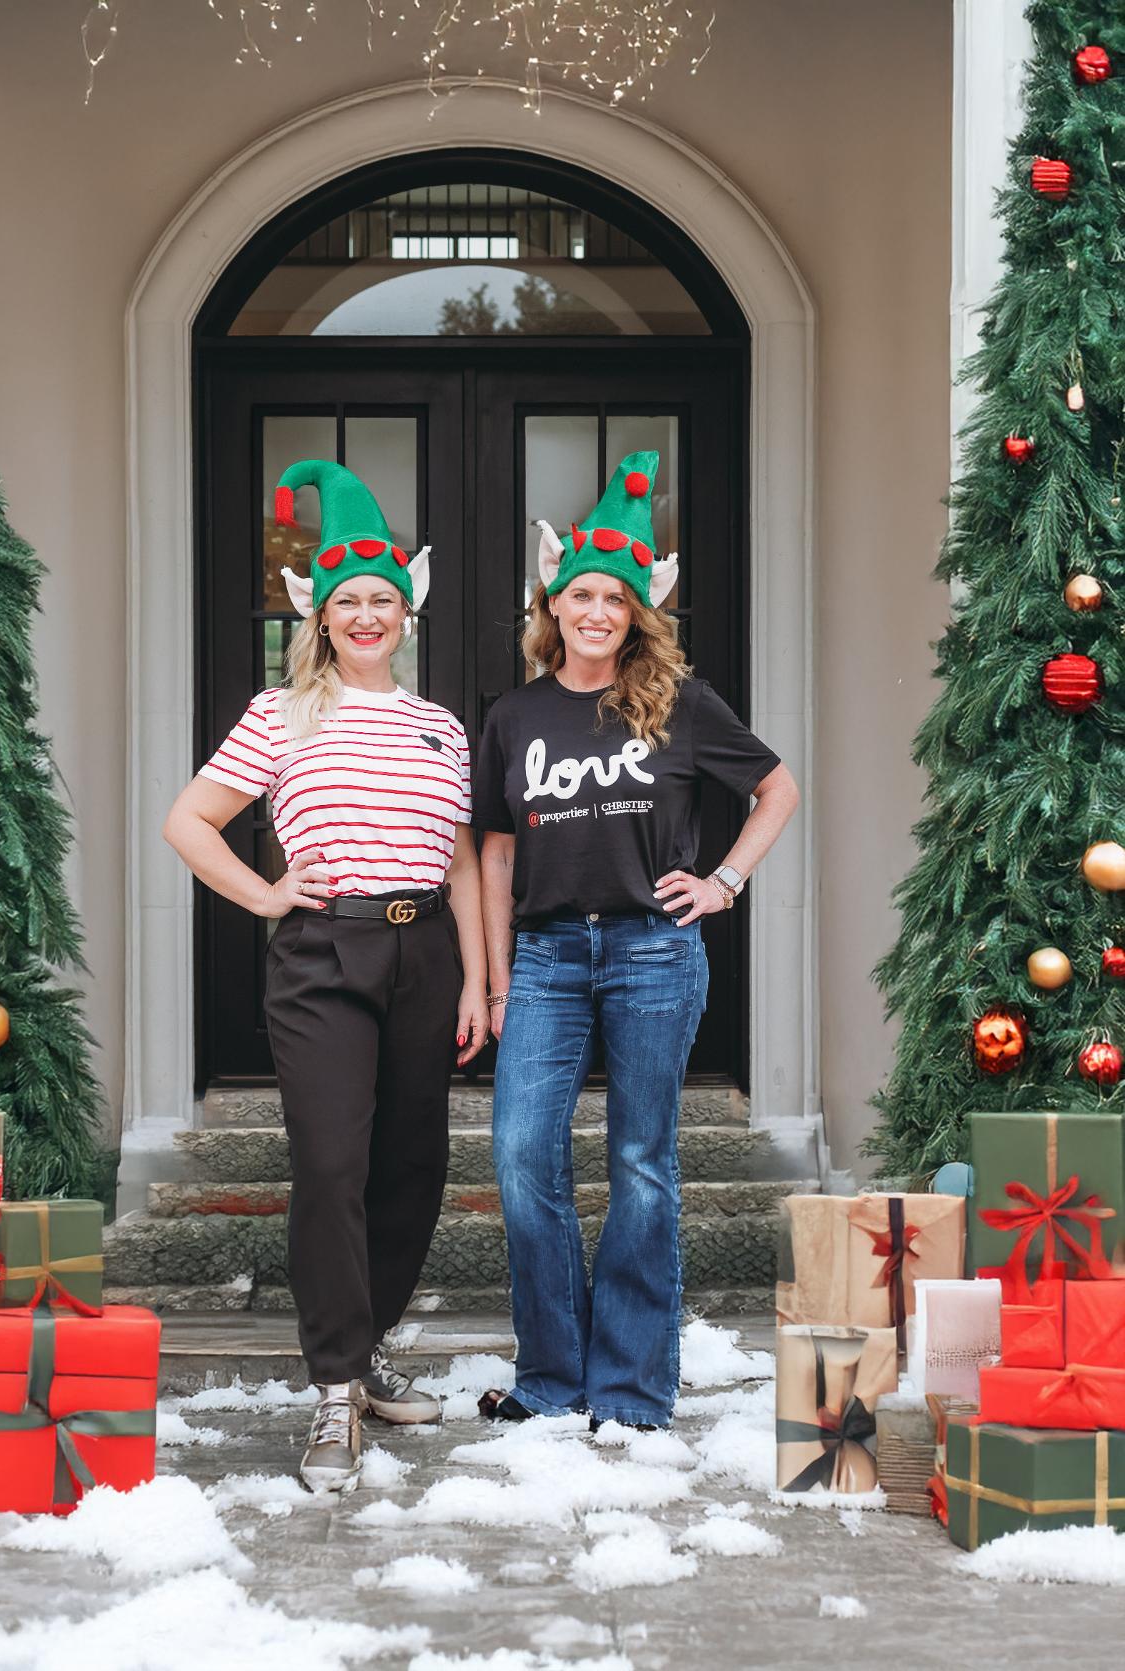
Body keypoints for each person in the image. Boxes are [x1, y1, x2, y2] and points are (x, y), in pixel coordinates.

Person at [164, 459, 488, 1493]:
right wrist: (265, 896)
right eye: (347, 601)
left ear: (406, 612)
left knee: (413, 1166)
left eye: (381, 600)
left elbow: (463, 864)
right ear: (320, 615)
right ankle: (334, 1388)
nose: (365, 616)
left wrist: (478, 983)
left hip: (424, 951)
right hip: (322, 954)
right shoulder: (281, 713)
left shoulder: (441, 727)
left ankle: (366, 1344)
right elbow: (189, 822)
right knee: (333, 1164)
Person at [474, 451, 798, 1431]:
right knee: (521, 1156)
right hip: (545, 959)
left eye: (614, 597)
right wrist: (496, 982)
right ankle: (550, 1378)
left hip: (653, 950)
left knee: (641, 1161)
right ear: (553, 604)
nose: (596, 610)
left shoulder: (680, 702)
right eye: (581, 593)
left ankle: (629, 1388)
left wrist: (723, 881)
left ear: (636, 612)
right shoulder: (514, 715)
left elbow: (776, 788)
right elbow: (493, 853)